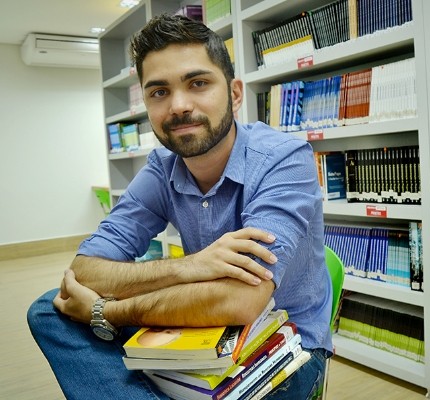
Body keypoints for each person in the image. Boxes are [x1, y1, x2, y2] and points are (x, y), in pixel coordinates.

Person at [27, 13, 332, 400]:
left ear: (235, 94)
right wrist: (191, 266)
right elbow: (85, 269)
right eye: (159, 92)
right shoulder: (161, 168)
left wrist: (106, 312)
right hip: (195, 329)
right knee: (49, 309)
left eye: (198, 83)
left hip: (281, 344)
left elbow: (241, 302)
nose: (179, 105)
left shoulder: (283, 158)